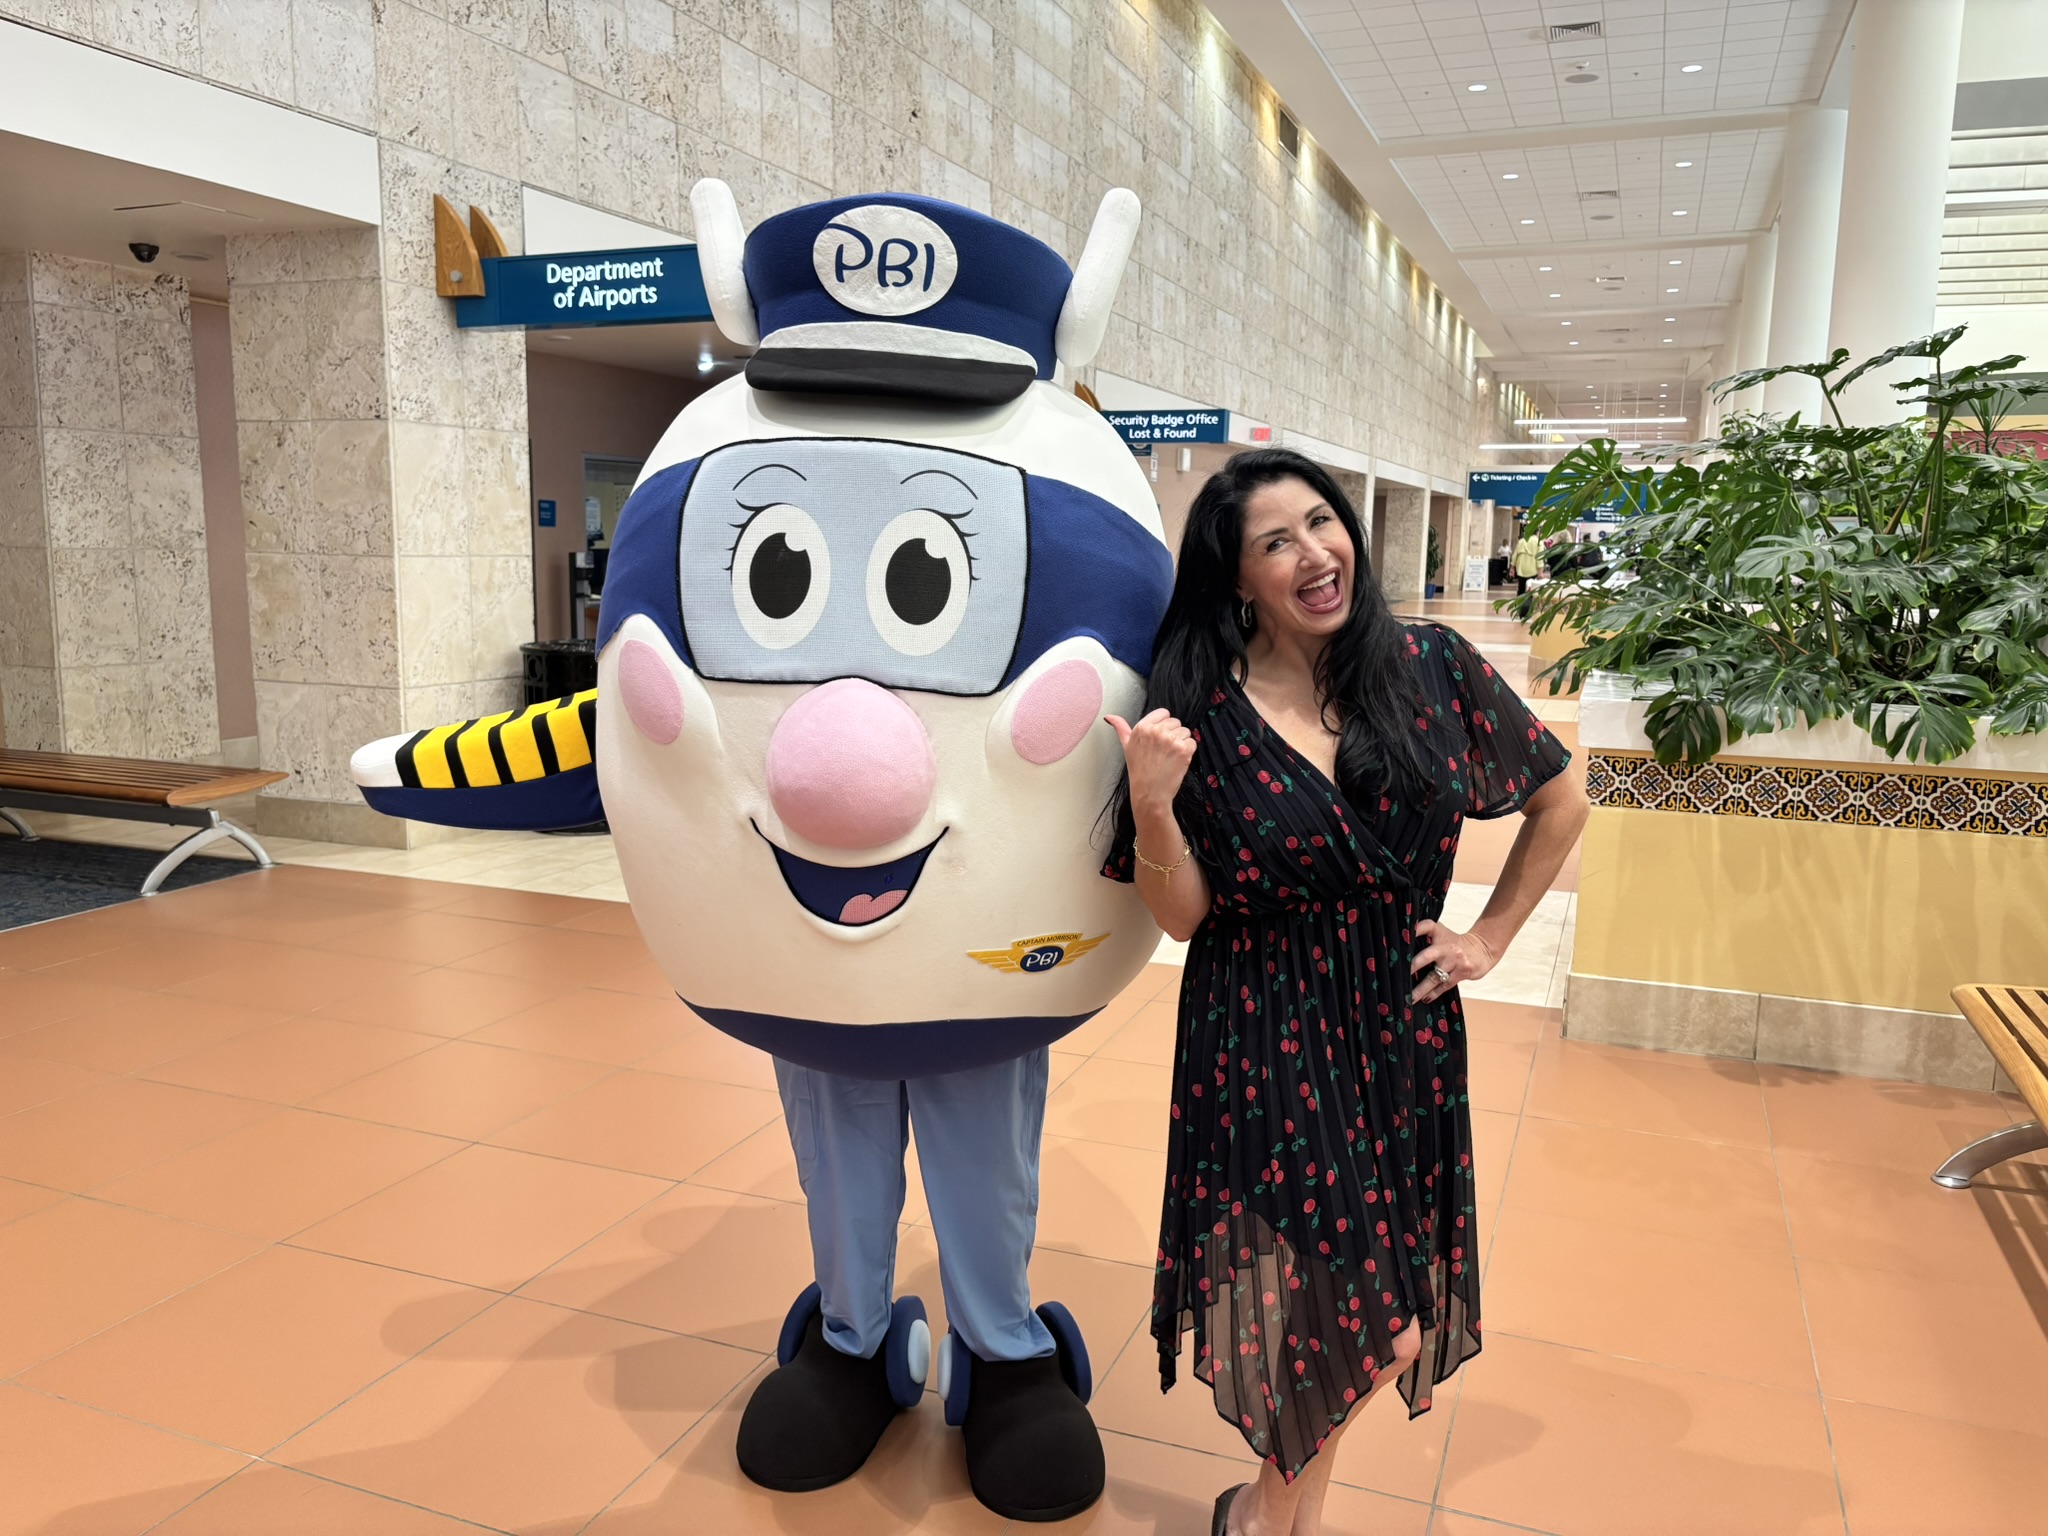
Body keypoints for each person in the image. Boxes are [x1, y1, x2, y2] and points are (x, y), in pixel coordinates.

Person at [1101, 448, 1587, 1536]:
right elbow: (1179, 918)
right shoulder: (1195, 711)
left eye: (1322, 523)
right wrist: (1153, 805)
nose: (1315, 553)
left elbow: (1560, 799)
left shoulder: (1429, 668)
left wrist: (1488, 938)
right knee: (1377, 1322)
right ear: (1235, 579)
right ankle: (1270, 1521)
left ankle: (1264, 1516)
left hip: (1398, 1028)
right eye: (1275, 542)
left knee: (1340, 1305)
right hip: (1261, 1027)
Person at [1511, 526, 1545, 594]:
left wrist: (1512, 567)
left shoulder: (1521, 541)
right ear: (1537, 532)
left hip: (1520, 568)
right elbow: (1539, 557)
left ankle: (1519, 603)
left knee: (1521, 588)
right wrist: (1540, 572)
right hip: (1532, 569)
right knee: (1531, 588)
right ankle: (1528, 603)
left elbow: (1515, 555)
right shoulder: (1539, 542)